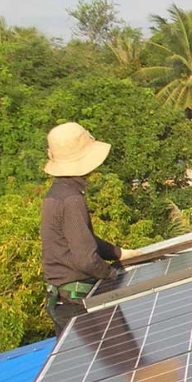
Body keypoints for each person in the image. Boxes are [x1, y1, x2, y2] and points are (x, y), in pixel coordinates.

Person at [40, 121, 136, 335]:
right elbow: (85, 258)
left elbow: (84, 239)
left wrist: (118, 253)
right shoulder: (72, 199)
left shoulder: (56, 193)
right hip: (76, 301)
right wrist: (112, 276)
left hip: (62, 299)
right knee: (118, 358)